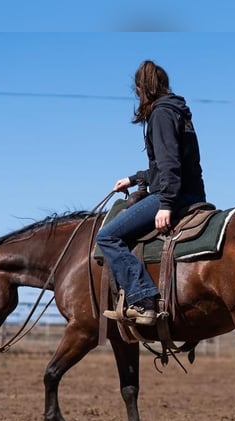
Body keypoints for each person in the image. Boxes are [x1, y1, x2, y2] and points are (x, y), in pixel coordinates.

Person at [97, 60, 206, 326]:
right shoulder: (178, 112)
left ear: (140, 89)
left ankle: (143, 299)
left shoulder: (161, 114)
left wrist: (166, 204)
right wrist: (134, 179)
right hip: (192, 192)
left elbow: (170, 165)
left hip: (175, 195)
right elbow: (168, 165)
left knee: (107, 236)